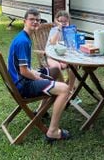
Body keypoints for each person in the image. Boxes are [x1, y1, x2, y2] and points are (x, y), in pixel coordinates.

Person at [8, 8, 71, 142]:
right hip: (23, 85)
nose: (35, 22)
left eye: (37, 20)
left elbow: (25, 68)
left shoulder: (23, 37)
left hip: (18, 80)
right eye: (32, 19)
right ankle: (53, 131)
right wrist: (38, 77)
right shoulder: (23, 42)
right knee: (65, 89)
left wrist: (37, 73)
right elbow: (24, 71)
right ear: (25, 21)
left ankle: (40, 111)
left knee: (54, 71)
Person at [46, 10, 76, 94]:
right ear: (57, 21)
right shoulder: (54, 30)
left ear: (68, 21)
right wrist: (59, 28)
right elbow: (52, 42)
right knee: (57, 66)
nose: (63, 23)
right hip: (52, 55)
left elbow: (72, 43)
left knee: (73, 64)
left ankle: (70, 88)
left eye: (65, 21)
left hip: (64, 55)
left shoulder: (70, 30)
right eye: (60, 21)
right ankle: (64, 89)